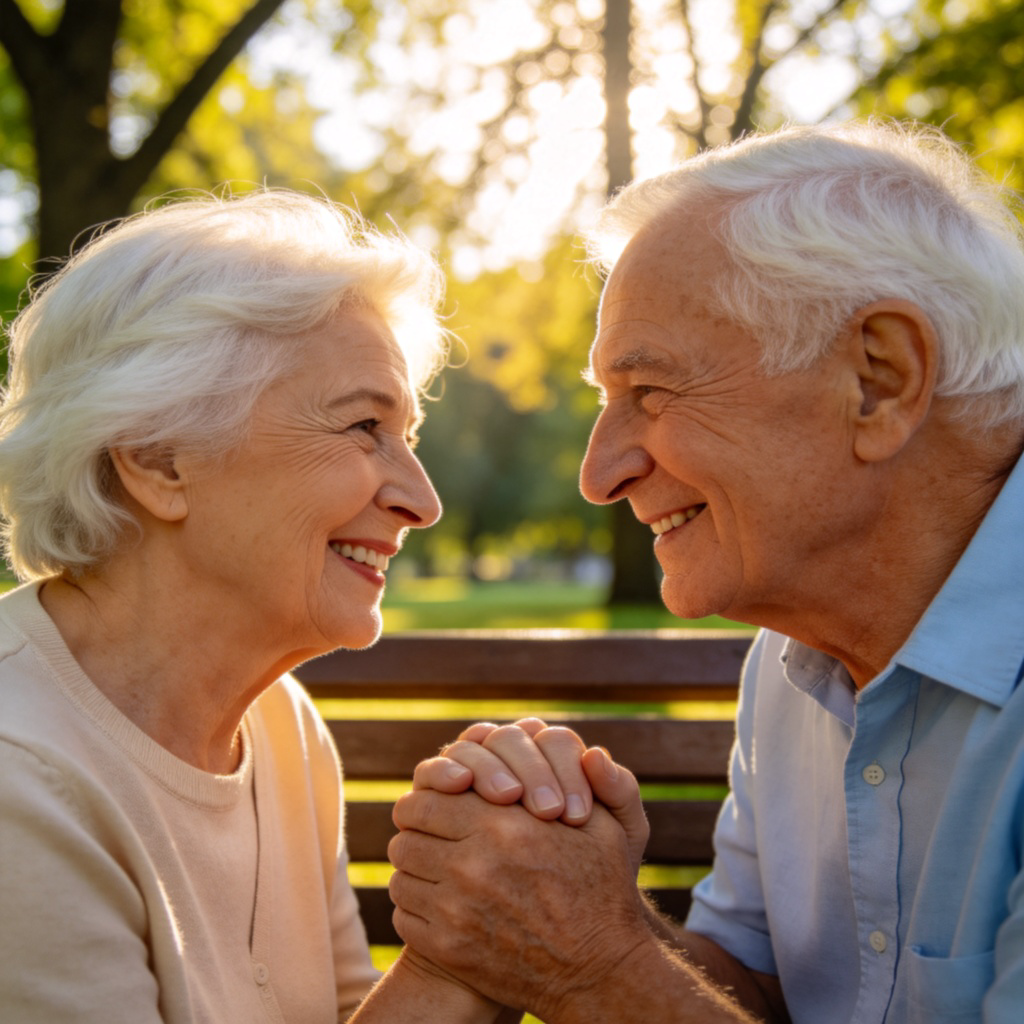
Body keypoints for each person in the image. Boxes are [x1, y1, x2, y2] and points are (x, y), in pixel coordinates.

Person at [387, 120, 1024, 1023]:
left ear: (879, 380)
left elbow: (615, 977)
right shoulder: (795, 656)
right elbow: (753, 991)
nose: (598, 475)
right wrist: (548, 886)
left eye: (652, 393)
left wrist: (594, 966)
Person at [0, 189, 556, 1024]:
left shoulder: (277, 723)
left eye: (408, 436)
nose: (421, 499)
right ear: (159, 460)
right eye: (364, 427)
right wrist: (466, 954)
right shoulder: (20, 784)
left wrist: (485, 933)